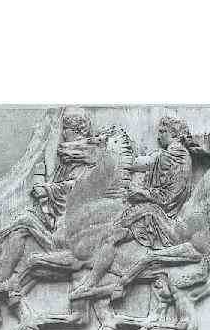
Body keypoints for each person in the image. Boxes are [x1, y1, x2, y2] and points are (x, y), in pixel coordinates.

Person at [0, 108, 97, 297]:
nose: (63, 133)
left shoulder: (86, 152)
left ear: (75, 130)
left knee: (24, 222)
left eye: (66, 129)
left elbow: (80, 185)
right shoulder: (70, 153)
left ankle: (0, 277)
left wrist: (48, 189)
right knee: (22, 224)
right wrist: (44, 185)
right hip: (58, 208)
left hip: (75, 217)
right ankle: (3, 279)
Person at [72, 116, 193, 294]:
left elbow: (169, 195)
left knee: (111, 236)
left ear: (174, 134)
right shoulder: (174, 155)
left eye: (163, 132)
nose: (159, 136)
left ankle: (91, 283)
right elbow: (144, 166)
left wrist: (141, 193)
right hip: (155, 208)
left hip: (157, 212)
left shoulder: (173, 156)